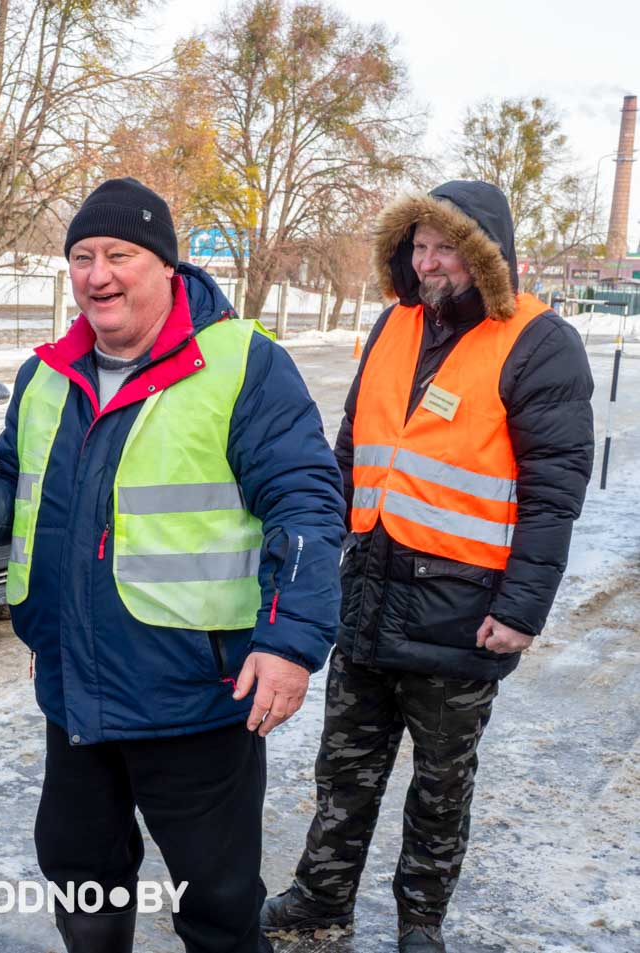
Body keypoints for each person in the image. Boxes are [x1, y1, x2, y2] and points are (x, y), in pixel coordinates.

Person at [0, 177, 347, 953]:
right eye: (82, 257)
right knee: (81, 874)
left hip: (195, 696)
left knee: (219, 902)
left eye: (119, 255)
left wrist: (290, 640)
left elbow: (306, 504)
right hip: (75, 693)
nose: (97, 274)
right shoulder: (44, 376)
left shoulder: (241, 364)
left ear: (167, 266)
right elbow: (17, 492)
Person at [260, 181, 594, 953]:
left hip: (461, 611)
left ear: (485, 256)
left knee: (441, 786)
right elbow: (351, 453)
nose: (430, 262)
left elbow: (554, 493)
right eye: (418, 247)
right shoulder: (394, 325)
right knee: (343, 770)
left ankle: (420, 921)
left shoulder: (540, 343)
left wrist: (521, 608)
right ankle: (320, 898)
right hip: (368, 593)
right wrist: (320, 557)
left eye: (446, 248)